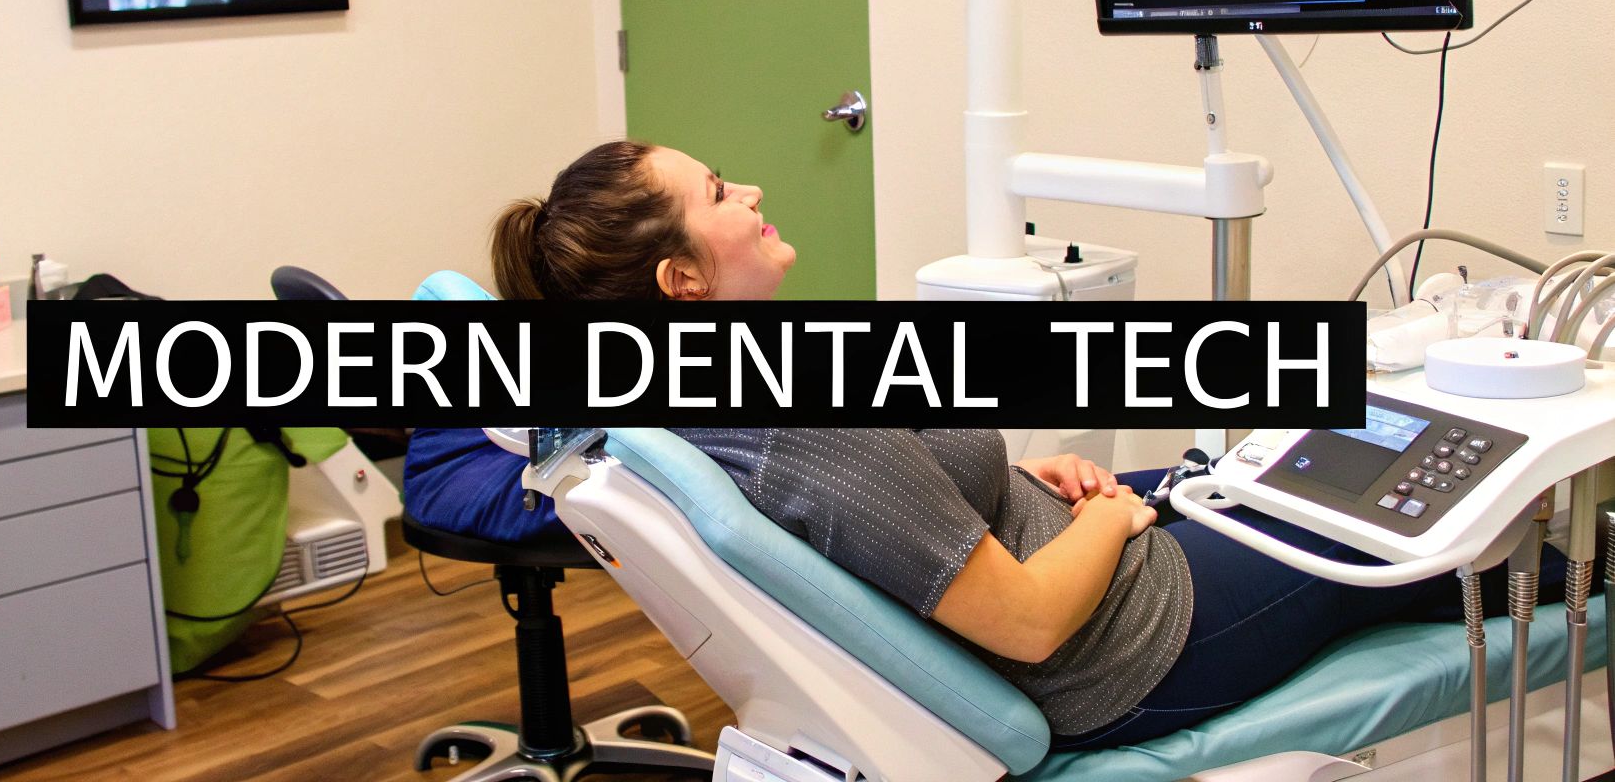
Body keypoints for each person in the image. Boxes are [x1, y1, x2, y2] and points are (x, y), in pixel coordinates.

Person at [489, 139, 1591, 749]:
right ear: (682, 284)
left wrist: (1028, 482)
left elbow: (886, 516)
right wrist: (1110, 518)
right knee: (1413, 537)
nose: (755, 187)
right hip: (1119, 646)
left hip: (1080, 559)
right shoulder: (788, 417)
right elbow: (1019, 620)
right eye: (722, 192)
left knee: (1298, 462)